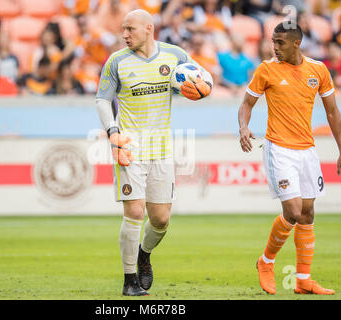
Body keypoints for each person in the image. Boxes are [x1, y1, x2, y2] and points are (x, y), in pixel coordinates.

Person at [95, 9, 213, 296]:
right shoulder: (116, 61)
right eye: (123, 29)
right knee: (135, 211)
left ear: (149, 29)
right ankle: (129, 280)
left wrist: (202, 87)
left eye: (130, 29)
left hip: (162, 150)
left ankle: (143, 254)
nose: (125, 34)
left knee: (160, 219)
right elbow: (102, 99)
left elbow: (204, 78)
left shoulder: (174, 55)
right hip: (129, 148)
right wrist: (113, 131)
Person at [238, 22, 341, 295]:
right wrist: (243, 127)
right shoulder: (266, 69)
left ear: (296, 43)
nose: (273, 47)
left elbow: (333, 112)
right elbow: (246, 104)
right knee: (293, 211)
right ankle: (266, 262)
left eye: (279, 42)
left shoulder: (318, 70)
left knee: (308, 213)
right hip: (279, 149)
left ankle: (303, 279)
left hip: (307, 150)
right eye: (272, 41)